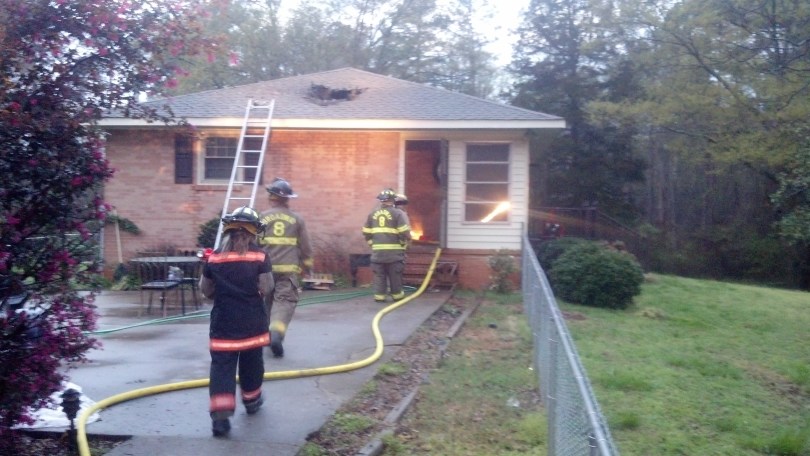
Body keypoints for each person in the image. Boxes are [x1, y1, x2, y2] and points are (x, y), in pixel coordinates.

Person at [199, 206, 273, 437]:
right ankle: (252, 401)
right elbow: (267, 287)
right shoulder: (260, 256)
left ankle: (220, 420)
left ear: (228, 230)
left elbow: (205, 289)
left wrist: (221, 295)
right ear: (254, 231)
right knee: (252, 363)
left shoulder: (214, 258)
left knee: (222, 368)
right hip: (252, 323)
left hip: (223, 324)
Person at [258, 177, 314, 358]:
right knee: (284, 302)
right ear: (287, 198)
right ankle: (276, 334)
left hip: (265, 270)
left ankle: (268, 334)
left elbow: (254, 243)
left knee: (267, 301)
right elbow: (305, 246)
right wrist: (308, 266)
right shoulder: (297, 219)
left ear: (271, 197)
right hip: (287, 271)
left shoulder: (262, 217)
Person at [362, 188, 411, 303]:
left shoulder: (372, 214)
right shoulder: (397, 213)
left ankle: (379, 297)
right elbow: (404, 232)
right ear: (393, 200)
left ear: (381, 200)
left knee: (379, 276)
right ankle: (397, 297)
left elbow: (366, 232)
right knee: (395, 276)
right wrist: (406, 242)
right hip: (394, 254)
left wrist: (372, 244)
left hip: (377, 254)